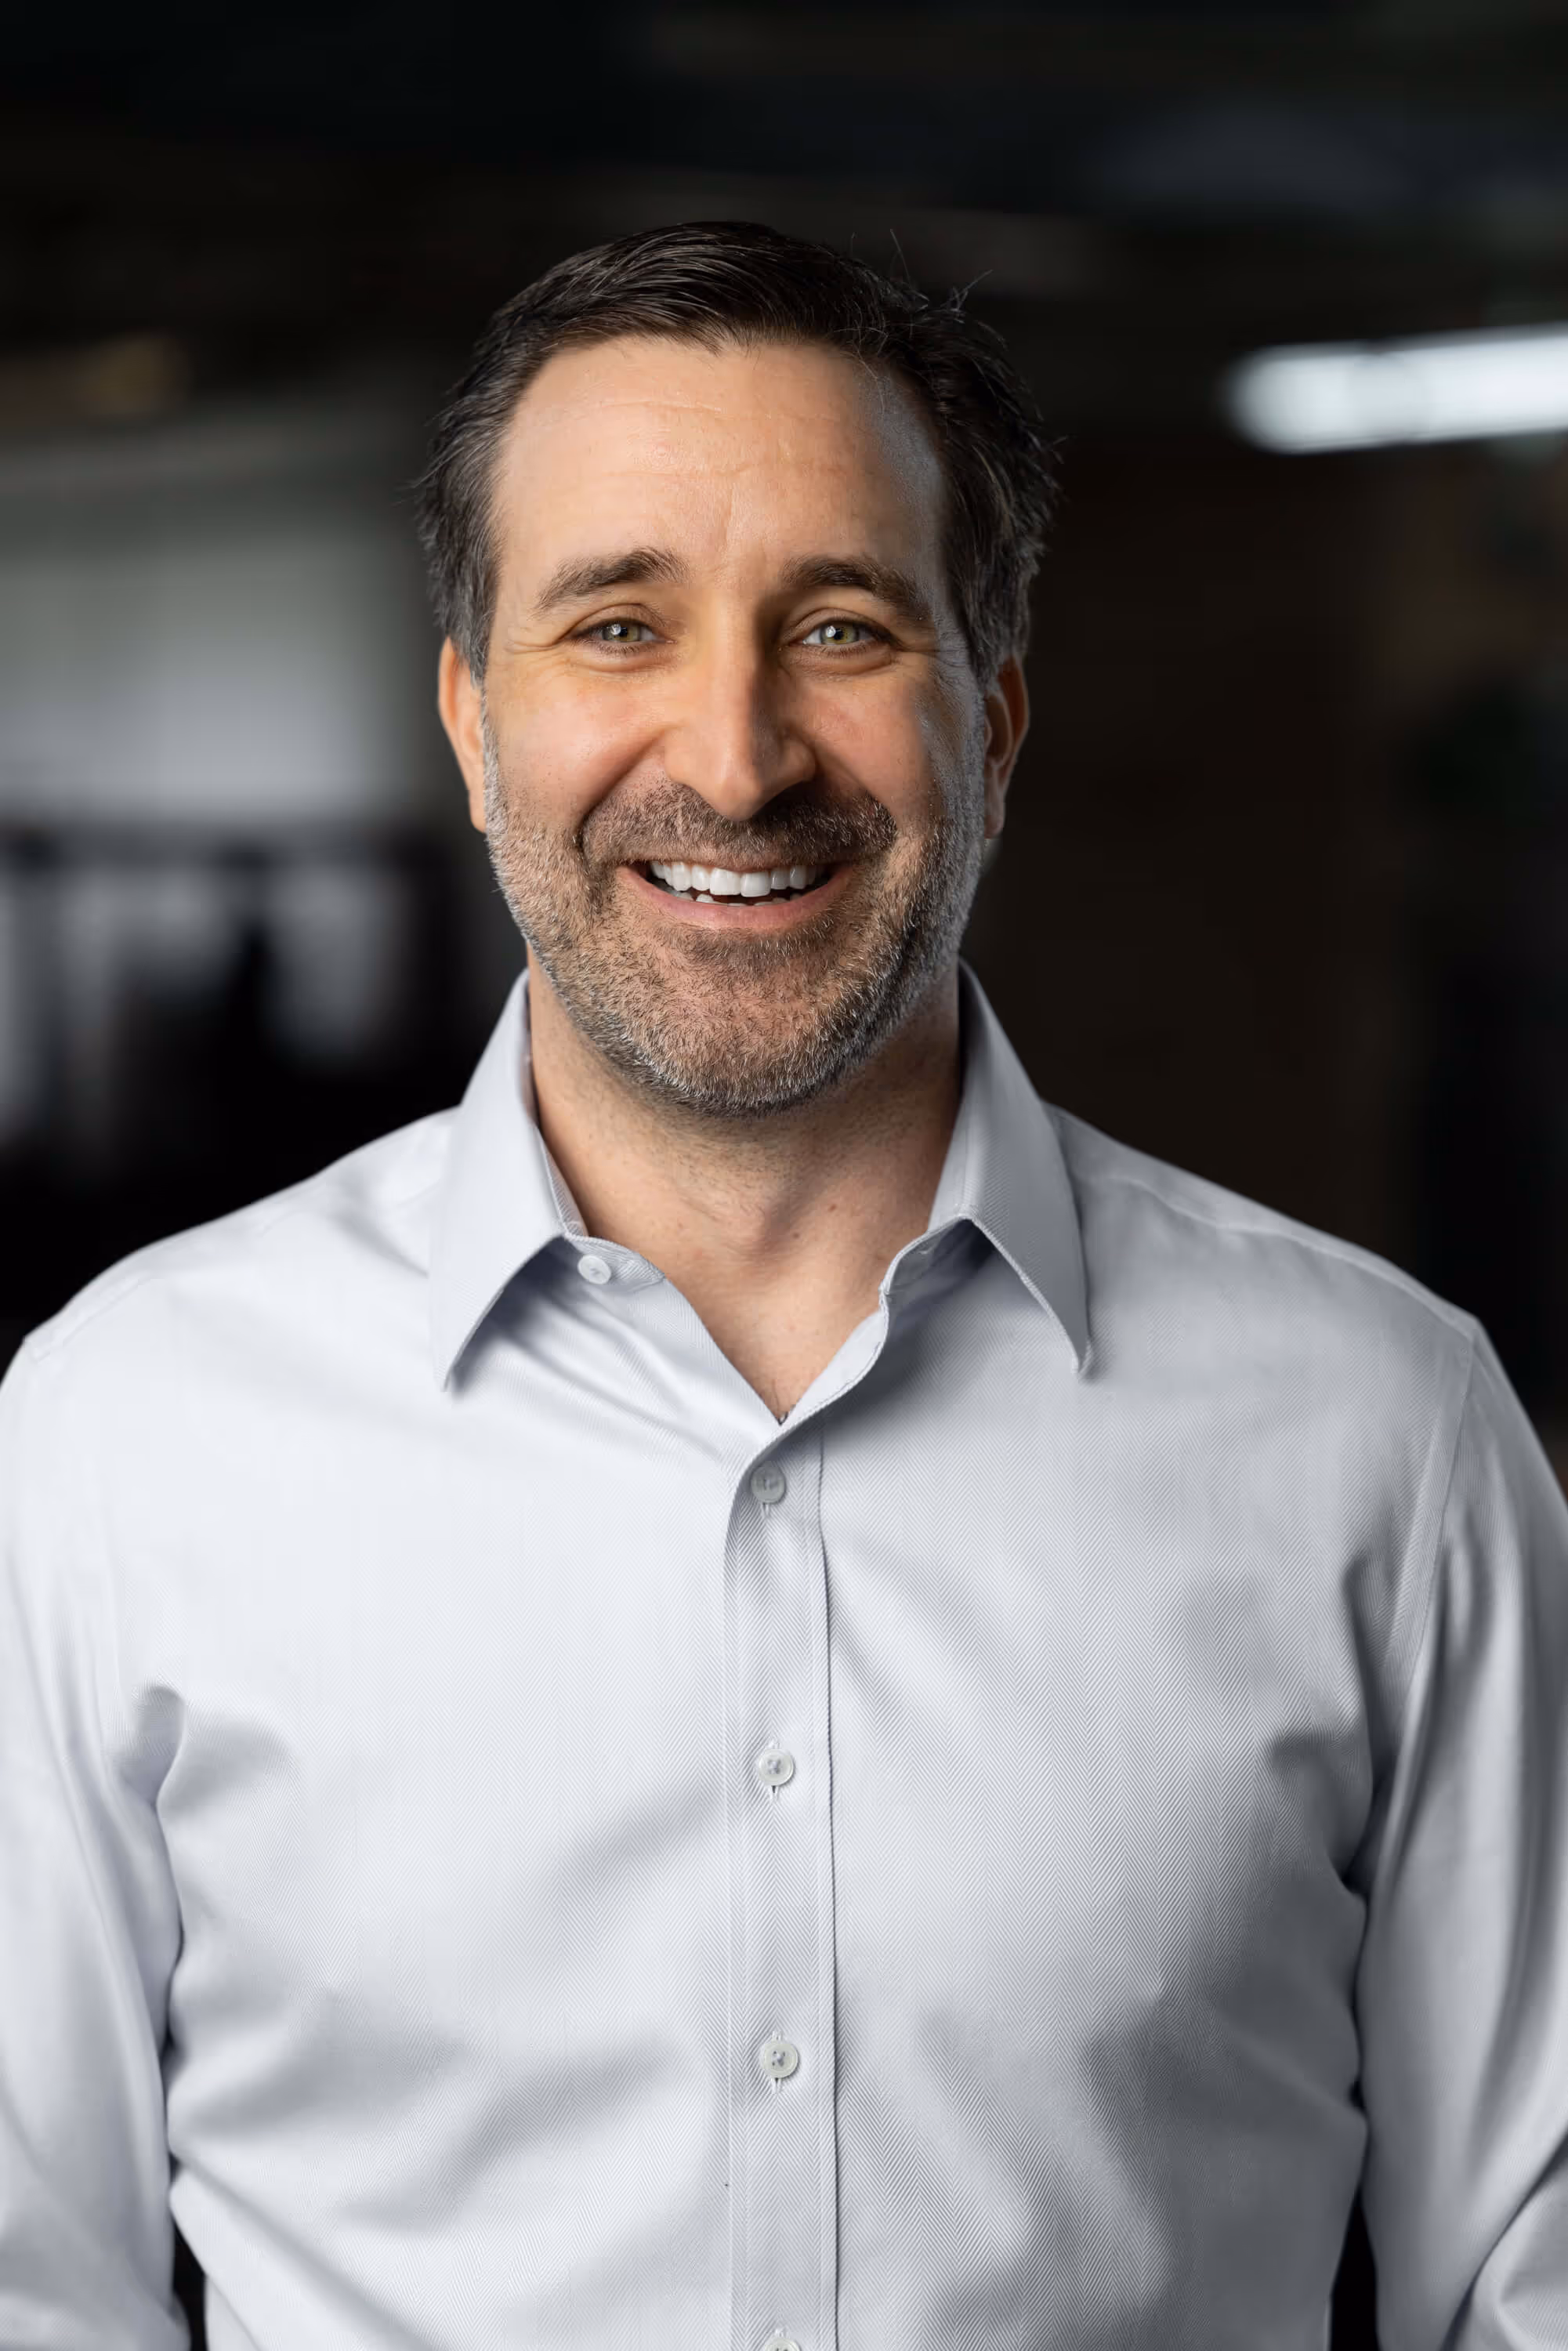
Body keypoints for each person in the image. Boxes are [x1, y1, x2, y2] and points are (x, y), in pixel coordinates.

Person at [2, 219, 1566, 2351]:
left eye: (838, 628)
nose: (733, 761)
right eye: (616, 625)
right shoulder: (125, 1434)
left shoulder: (1387, 1432)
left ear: (991, 721)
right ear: (473, 722)